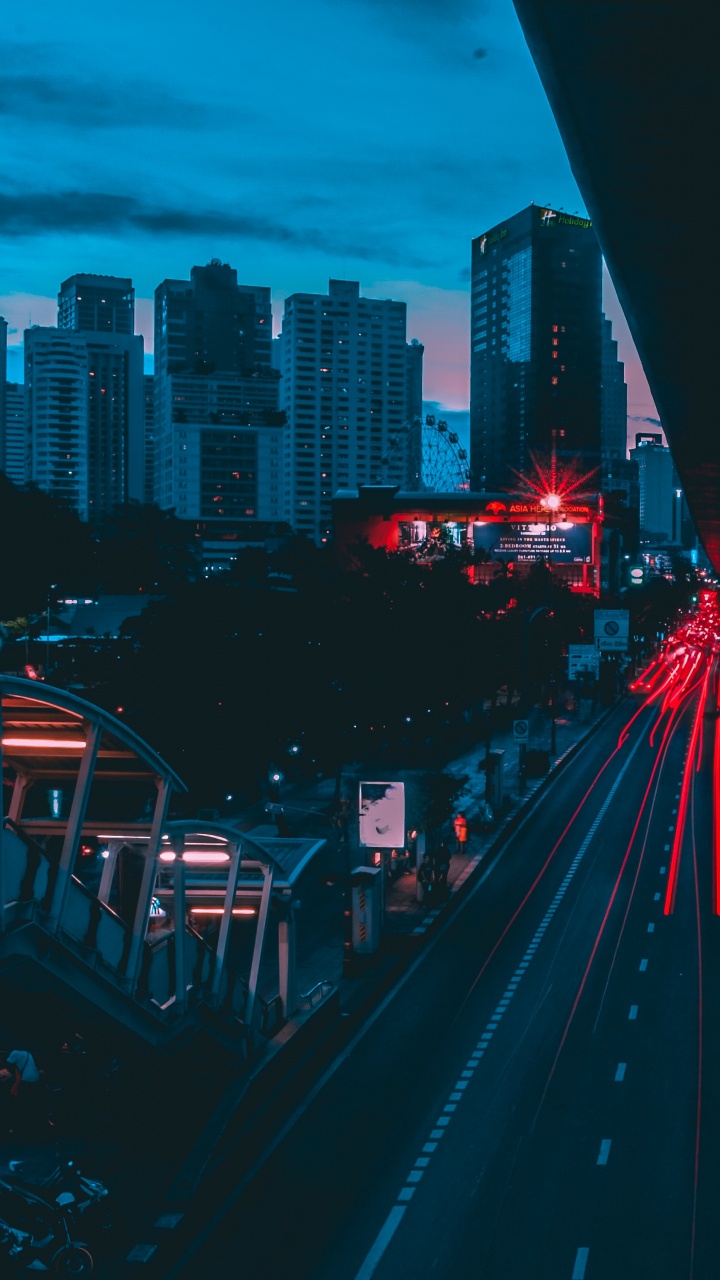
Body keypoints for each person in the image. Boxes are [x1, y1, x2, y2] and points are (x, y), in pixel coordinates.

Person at [0, 1047, 44, 1137]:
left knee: (21, 1104)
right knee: (29, 1105)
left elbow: (7, 1066)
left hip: (25, 1080)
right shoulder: (27, 1053)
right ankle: (30, 1128)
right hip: (35, 1080)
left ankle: (20, 1129)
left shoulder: (15, 1053)